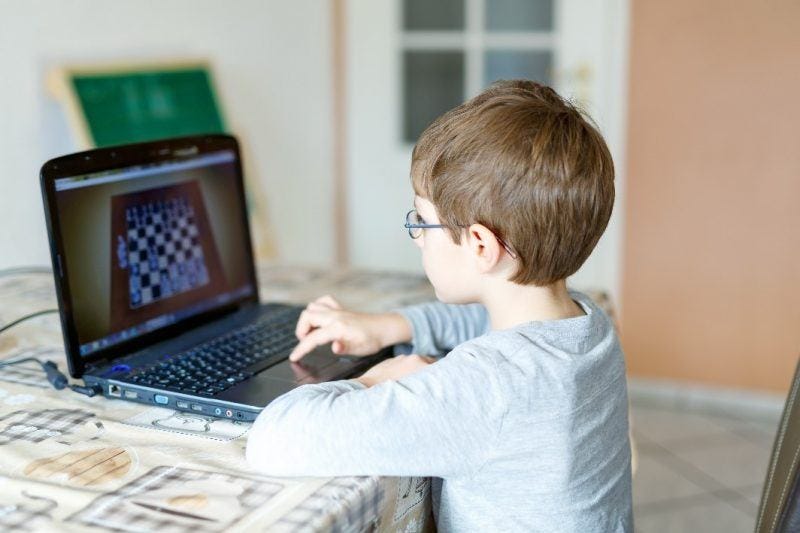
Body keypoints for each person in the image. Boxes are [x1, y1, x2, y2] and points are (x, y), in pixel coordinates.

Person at [246, 80, 632, 532]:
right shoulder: (586, 323)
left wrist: (376, 381)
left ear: (481, 245)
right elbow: (484, 322)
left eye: (422, 222)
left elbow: (274, 439)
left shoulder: (482, 390)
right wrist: (392, 326)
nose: (418, 237)